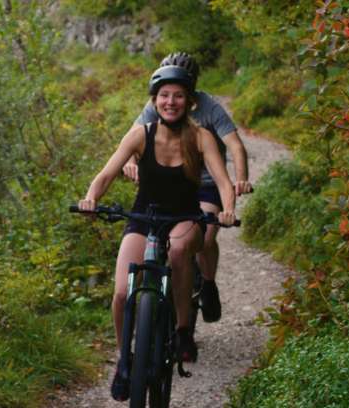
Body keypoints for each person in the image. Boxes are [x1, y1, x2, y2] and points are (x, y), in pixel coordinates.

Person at [78, 65, 236, 402]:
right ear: (155, 100)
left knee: (179, 251)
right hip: (143, 216)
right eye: (164, 95)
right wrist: (92, 197)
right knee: (122, 293)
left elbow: (223, 182)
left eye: (178, 95)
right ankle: (125, 361)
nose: (171, 101)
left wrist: (228, 207)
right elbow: (107, 173)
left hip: (185, 216)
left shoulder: (200, 137)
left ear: (189, 102)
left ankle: (181, 331)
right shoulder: (140, 135)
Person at [123, 52, 252, 323]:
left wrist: (241, 178)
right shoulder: (160, 103)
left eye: (180, 89)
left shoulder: (209, 107)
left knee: (204, 239)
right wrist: (132, 163)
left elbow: (235, 145)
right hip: (170, 185)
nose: (171, 99)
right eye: (165, 89)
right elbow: (132, 139)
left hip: (206, 184)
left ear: (191, 87)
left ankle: (207, 283)